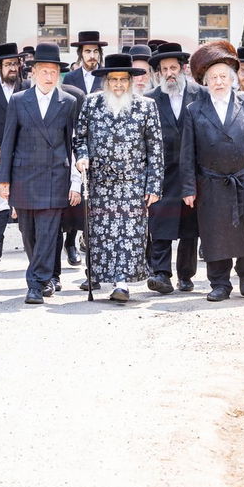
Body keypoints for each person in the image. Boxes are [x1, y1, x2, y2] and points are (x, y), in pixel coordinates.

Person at [180, 41, 244, 302]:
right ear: (205, 82)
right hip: (212, 182)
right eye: (213, 77)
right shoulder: (194, 110)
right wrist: (188, 188)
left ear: (232, 79)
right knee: (215, 232)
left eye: (223, 76)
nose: (218, 81)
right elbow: (187, 153)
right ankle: (220, 283)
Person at [73, 53, 164, 303]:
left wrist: (154, 185)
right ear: (106, 82)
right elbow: (79, 138)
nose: (118, 85)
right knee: (101, 234)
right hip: (100, 184)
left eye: (123, 80)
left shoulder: (146, 106)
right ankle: (97, 274)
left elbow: (155, 148)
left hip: (132, 184)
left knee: (129, 235)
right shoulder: (91, 103)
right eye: (113, 80)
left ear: (131, 81)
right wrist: (81, 157)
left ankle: (122, 283)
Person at [0, 42, 83, 305]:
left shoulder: (68, 102)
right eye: (44, 71)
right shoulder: (19, 100)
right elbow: (8, 140)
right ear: (33, 73)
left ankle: (36, 283)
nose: (49, 76)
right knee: (29, 233)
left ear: (59, 74)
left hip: (55, 176)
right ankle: (42, 274)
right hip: (24, 176)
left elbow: (74, 143)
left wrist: (76, 182)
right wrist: (4, 179)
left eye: (53, 71)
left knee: (48, 232)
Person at [145, 42, 206, 294]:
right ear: (158, 73)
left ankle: (186, 275)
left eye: (174, 68)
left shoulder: (200, 94)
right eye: (164, 69)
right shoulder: (149, 100)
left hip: (192, 171)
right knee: (160, 223)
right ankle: (160, 274)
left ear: (183, 69)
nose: (169, 73)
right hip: (162, 172)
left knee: (190, 227)